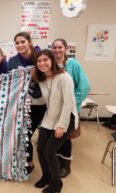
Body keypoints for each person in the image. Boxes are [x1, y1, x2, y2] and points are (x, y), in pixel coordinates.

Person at [34, 49, 78, 193]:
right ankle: (46, 177)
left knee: (49, 152)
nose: (42, 63)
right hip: (49, 118)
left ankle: (56, 184)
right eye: (39, 61)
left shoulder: (64, 77)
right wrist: (28, 101)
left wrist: (61, 125)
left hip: (65, 119)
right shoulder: (43, 79)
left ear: (52, 60)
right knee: (40, 149)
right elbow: (46, 99)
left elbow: (69, 103)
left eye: (45, 60)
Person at [8, 31, 46, 174]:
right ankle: (23, 160)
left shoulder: (40, 57)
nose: (20, 45)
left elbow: (47, 78)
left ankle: (29, 162)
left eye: (23, 42)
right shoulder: (12, 61)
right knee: (20, 134)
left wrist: (35, 77)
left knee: (27, 134)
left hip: (39, 104)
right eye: (17, 43)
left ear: (29, 42)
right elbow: (10, 82)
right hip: (20, 104)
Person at [51, 38, 90, 178]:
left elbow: (85, 86)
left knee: (65, 137)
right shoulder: (51, 64)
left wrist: (74, 102)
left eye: (60, 47)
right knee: (55, 135)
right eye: (54, 47)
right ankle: (57, 161)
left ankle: (66, 166)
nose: (57, 50)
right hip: (54, 109)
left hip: (69, 108)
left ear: (65, 48)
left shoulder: (73, 64)